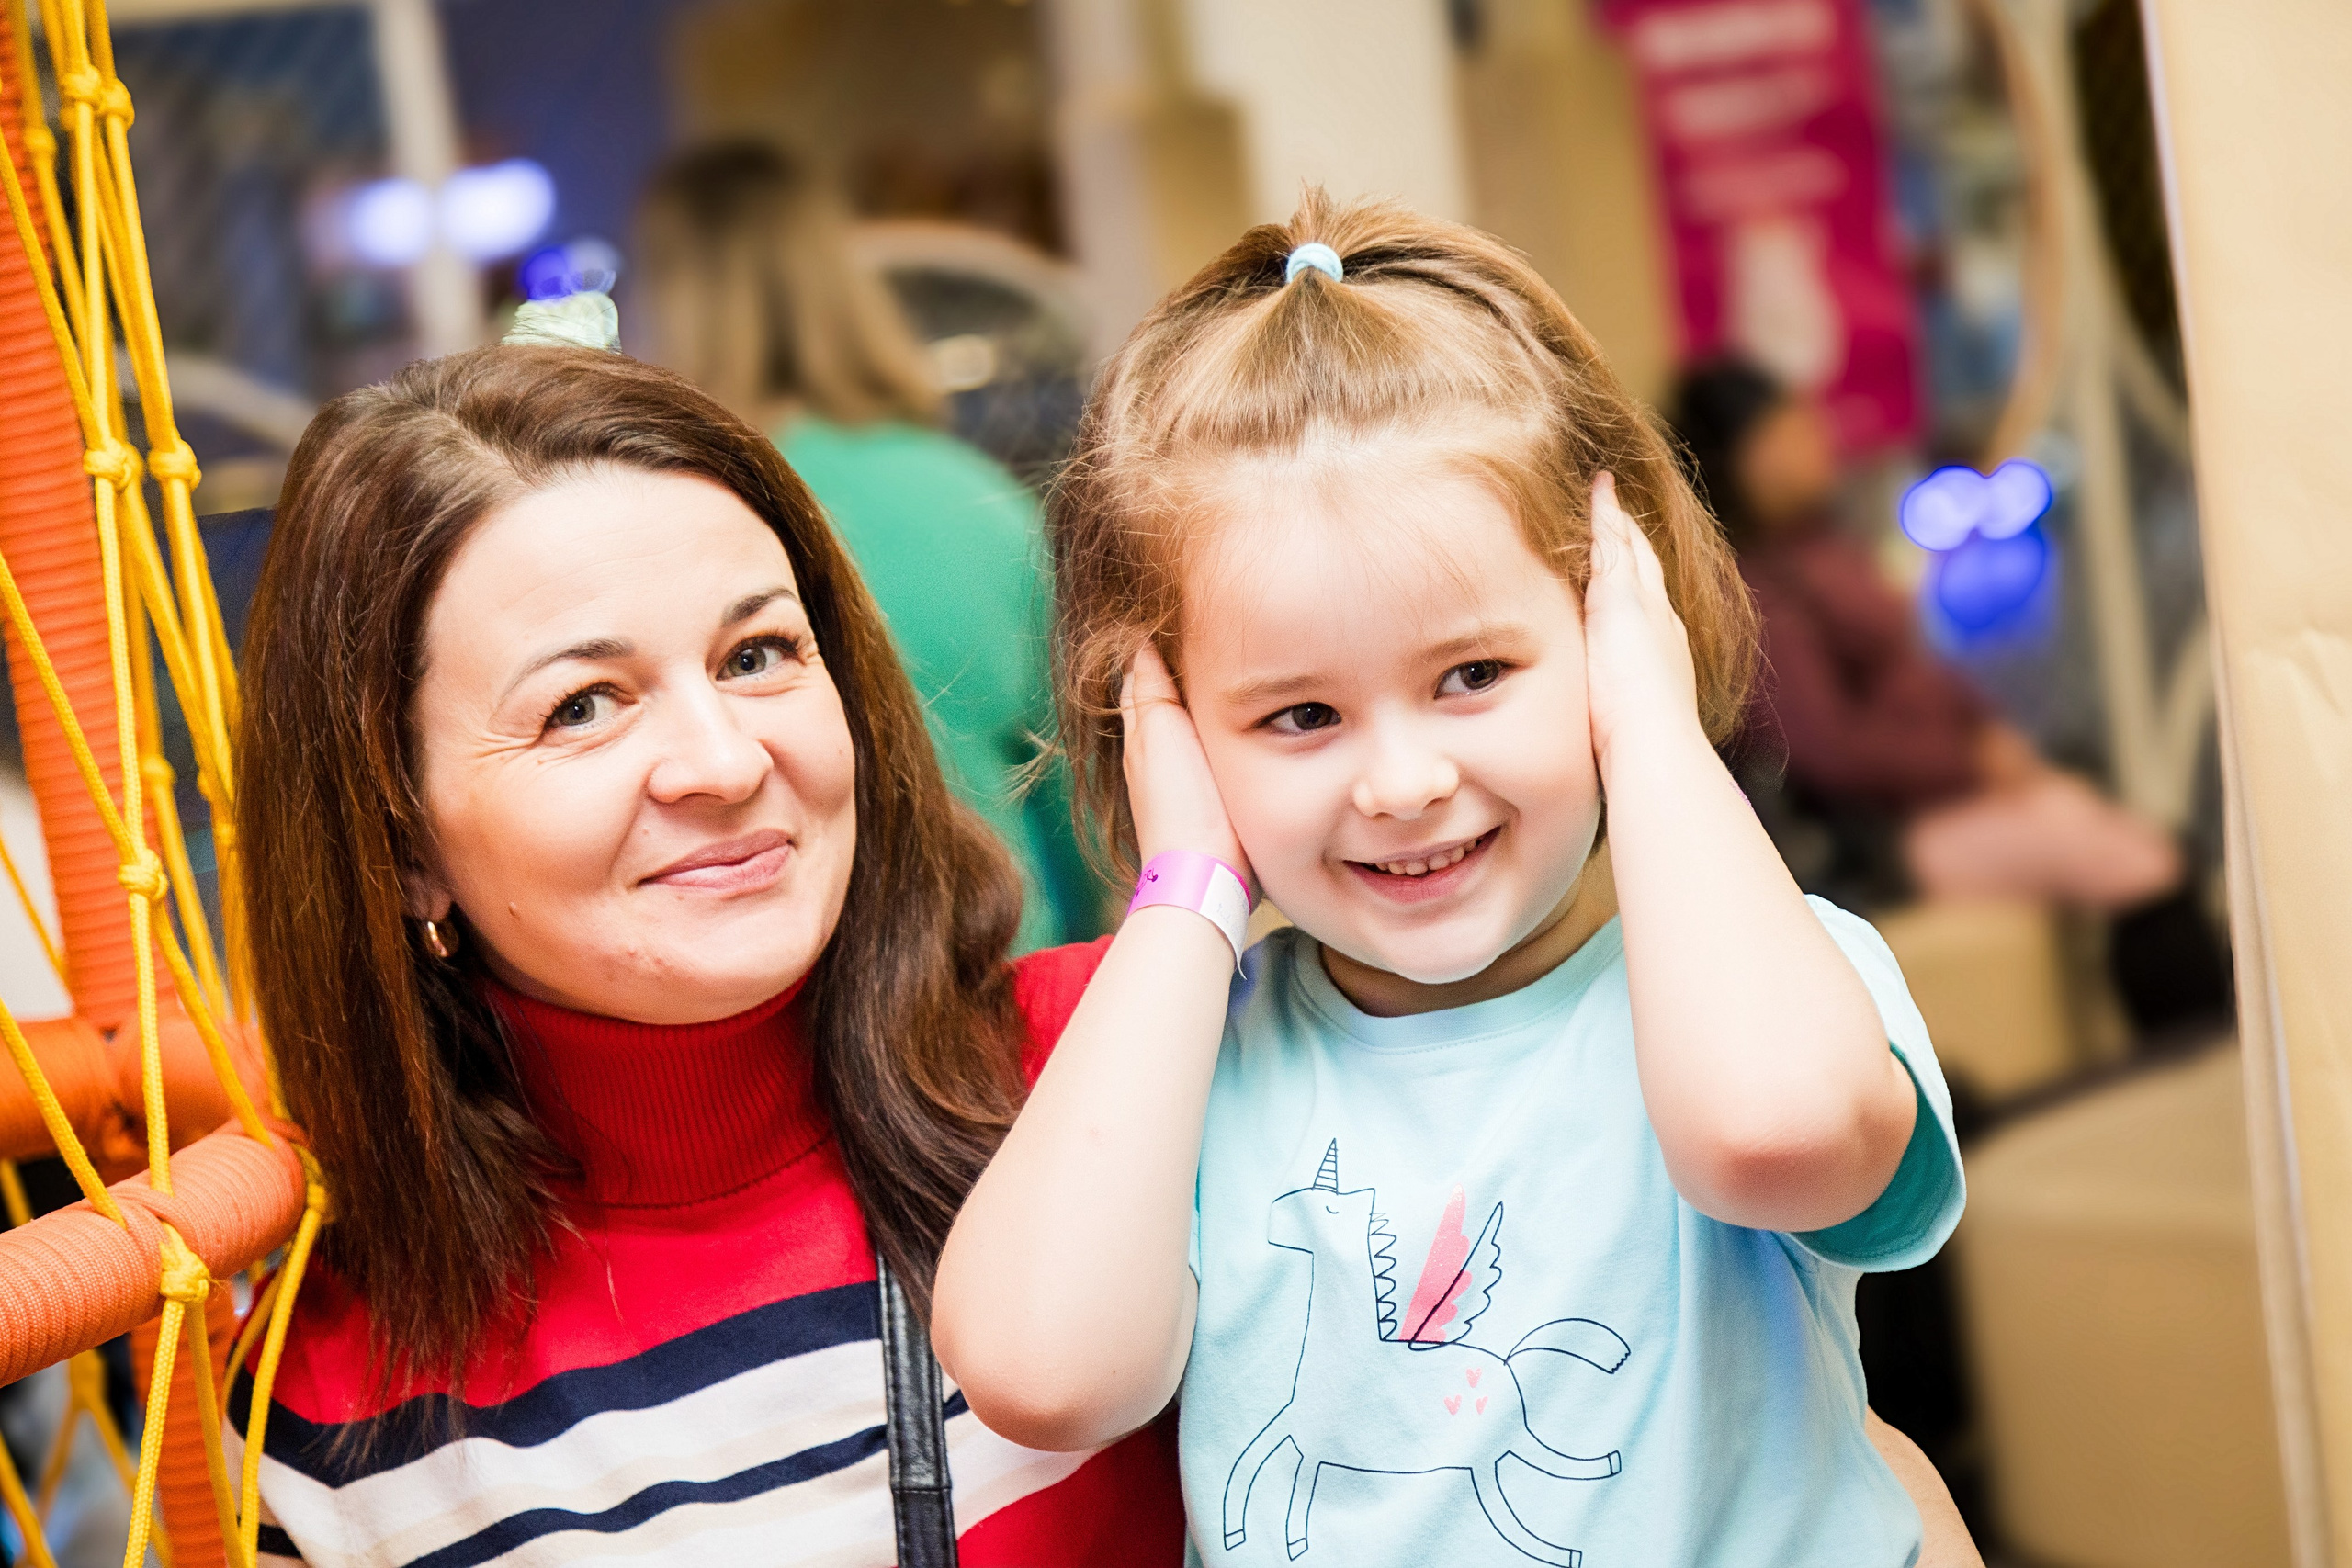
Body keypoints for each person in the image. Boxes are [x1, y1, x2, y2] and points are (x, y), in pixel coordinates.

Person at [932, 196, 1982, 1565]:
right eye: (1299, 715)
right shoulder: (1191, 1057)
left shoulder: (1776, 969)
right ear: (1172, 726)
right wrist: (1186, 886)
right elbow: (1041, 1368)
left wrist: (1652, 726)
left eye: (1473, 674)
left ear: (1613, 631)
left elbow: (1772, 1130)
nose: (1402, 780)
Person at [228, 336, 1183, 1563]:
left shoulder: (1130, 1074)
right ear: (402, 843)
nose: (727, 761)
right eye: (584, 704)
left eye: (758, 655)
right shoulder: (322, 1410)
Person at [633, 140, 1097, 952]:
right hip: (1015, 969)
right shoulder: (973, 493)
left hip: (811, 997)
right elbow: (1076, 798)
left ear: (673, 299)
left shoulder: (682, 520)